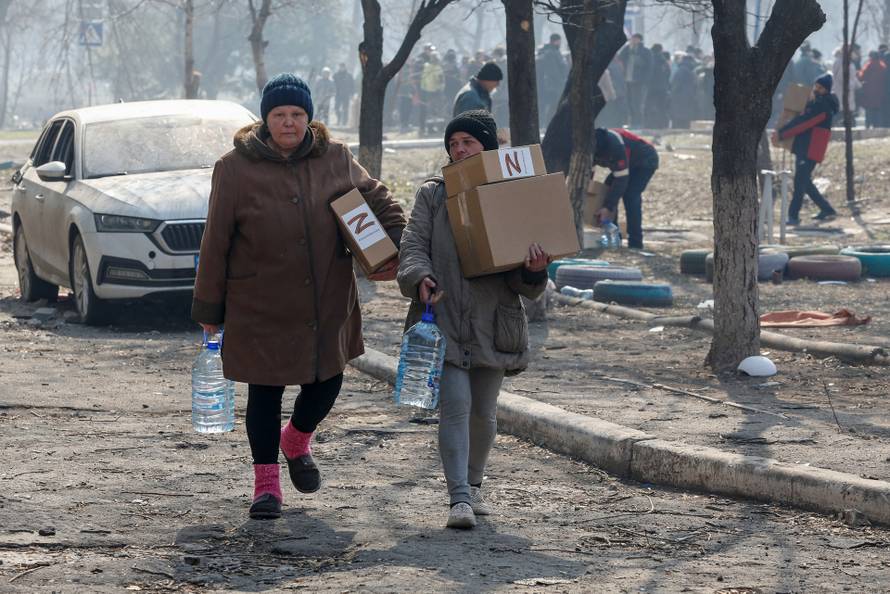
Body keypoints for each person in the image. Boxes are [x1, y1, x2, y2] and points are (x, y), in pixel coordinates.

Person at [192, 73, 407, 520]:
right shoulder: (234, 168)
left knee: (328, 379)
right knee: (265, 394)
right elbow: (215, 242)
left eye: (296, 114)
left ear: (309, 117)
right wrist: (210, 309)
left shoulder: (336, 158)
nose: (288, 123)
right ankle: (266, 487)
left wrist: (398, 246)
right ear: (264, 119)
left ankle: (297, 439)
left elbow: (378, 201)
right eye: (279, 115)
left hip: (326, 299)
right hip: (258, 302)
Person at [397, 110, 550, 530]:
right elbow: (412, 246)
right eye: (454, 143)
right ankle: (458, 498)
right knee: (457, 405)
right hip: (442, 316)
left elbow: (527, 283)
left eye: (469, 142)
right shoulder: (433, 194)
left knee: (484, 410)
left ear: (488, 149)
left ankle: (475, 485)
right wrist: (419, 277)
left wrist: (536, 269)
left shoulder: (511, 196)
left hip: (493, 323)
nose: (460, 149)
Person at [776, 73, 839, 225]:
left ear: (826, 90)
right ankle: (827, 210)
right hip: (806, 147)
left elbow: (804, 122)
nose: (816, 89)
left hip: (810, 148)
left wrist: (783, 133)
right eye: (816, 86)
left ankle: (793, 216)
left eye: (820, 87)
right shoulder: (816, 102)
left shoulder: (822, 106)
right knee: (805, 182)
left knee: (800, 182)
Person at [592, 127, 659, 249]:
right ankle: (614, 237)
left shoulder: (616, 147)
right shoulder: (589, 146)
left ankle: (635, 243)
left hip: (644, 161)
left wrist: (607, 207)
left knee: (630, 196)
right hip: (628, 164)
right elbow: (587, 173)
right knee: (607, 189)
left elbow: (621, 180)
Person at [618, 33, 652, 127]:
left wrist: (645, 81)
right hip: (627, 80)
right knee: (629, 103)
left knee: (637, 103)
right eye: (632, 39)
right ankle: (632, 122)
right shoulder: (628, 49)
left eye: (634, 39)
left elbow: (649, 67)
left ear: (639, 40)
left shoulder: (645, 51)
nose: (632, 40)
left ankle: (638, 123)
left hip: (639, 82)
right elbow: (620, 57)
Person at [536, 34, 568, 126]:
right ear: (556, 41)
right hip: (554, 85)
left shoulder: (548, 52)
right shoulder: (551, 53)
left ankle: (549, 124)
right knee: (554, 106)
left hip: (550, 85)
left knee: (551, 106)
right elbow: (553, 71)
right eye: (559, 41)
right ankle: (550, 124)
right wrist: (561, 82)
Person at [858, 51, 887, 129]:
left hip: (869, 91)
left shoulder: (868, 65)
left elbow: (861, 77)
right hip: (879, 92)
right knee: (877, 110)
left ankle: (867, 125)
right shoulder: (882, 66)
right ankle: (876, 125)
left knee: (868, 109)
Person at [644, 44, 671, 129]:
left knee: (649, 106)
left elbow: (648, 73)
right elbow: (668, 73)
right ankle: (663, 125)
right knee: (662, 107)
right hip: (663, 88)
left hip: (651, 87)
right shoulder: (664, 61)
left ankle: (650, 124)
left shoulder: (650, 59)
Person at [420, 52, 445, 135]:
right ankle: (440, 128)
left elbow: (423, 79)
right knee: (439, 110)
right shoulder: (438, 68)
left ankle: (430, 129)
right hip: (436, 92)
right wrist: (441, 89)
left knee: (430, 111)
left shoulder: (426, 67)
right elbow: (441, 80)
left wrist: (423, 89)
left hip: (427, 92)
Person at [670, 54, 697, 129]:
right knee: (685, 117)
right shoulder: (690, 71)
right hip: (688, 97)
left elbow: (676, 84)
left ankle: (677, 130)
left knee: (678, 117)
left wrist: (672, 94)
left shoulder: (681, 70)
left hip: (679, 97)